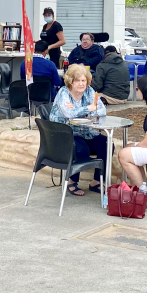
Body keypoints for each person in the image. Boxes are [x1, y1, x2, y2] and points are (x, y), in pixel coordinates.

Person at [49, 64, 107, 196]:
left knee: (107, 144)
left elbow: (102, 111)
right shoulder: (63, 93)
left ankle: (96, 182)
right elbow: (69, 114)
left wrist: (78, 110)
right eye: (77, 81)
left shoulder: (89, 91)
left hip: (84, 131)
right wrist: (89, 108)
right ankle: (71, 181)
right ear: (71, 81)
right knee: (81, 149)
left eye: (83, 80)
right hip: (65, 133)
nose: (81, 84)